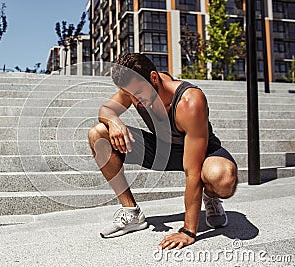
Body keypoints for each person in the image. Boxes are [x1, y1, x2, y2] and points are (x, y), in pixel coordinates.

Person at [88, 53, 238, 249]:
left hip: (203, 154)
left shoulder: (190, 101)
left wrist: (188, 231)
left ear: (154, 77)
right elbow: (106, 109)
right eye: (129, 94)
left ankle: (210, 196)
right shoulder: (133, 88)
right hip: (163, 150)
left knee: (223, 178)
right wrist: (114, 122)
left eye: (138, 92)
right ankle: (131, 213)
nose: (135, 101)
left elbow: (192, 171)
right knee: (98, 134)